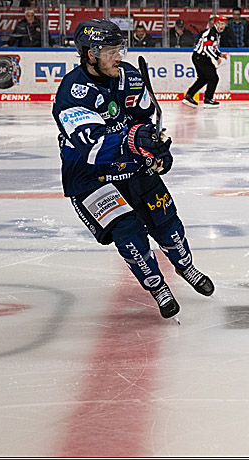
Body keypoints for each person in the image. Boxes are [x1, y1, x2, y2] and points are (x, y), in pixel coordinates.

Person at [53, 19, 213, 319]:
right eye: (112, 51)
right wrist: (132, 139)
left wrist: (157, 150)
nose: (119, 56)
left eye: (120, 49)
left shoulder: (128, 75)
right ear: (90, 54)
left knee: (166, 221)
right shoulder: (71, 93)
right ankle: (157, 286)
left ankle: (185, 266)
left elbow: (147, 119)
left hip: (133, 165)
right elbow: (92, 147)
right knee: (129, 233)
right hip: (90, 177)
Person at [183, 16, 227, 108]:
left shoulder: (215, 33)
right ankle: (207, 99)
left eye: (224, 23)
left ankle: (189, 95)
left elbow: (212, 47)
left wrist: (220, 54)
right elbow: (206, 48)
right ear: (216, 24)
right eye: (221, 23)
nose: (223, 26)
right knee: (213, 78)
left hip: (199, 57)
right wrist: (216, 58)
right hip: (201, 58)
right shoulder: (212, 33)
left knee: (203, 78)